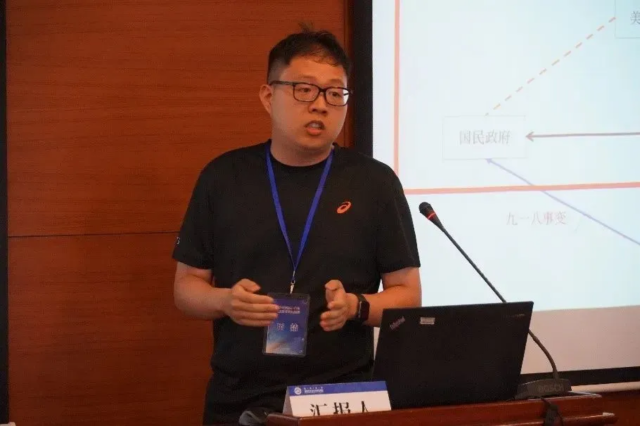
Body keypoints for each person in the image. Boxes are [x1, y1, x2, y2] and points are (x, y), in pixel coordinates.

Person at [172, 25, 422, 424]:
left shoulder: (375, 183)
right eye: (304, 90)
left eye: (335, 93)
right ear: (268, 96)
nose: (320, 105)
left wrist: (356, 306)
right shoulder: (223, 177)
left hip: (342, 399)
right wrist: (225, 301)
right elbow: (186, 288)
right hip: (241, 398)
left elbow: (408, 294)